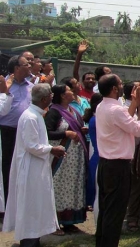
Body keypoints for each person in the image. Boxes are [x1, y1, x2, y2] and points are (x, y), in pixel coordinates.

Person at [2, 84, 66, 247]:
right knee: (31, 207)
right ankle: (29, 241)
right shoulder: (30, 117)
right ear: (44, 99)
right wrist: (52, 148)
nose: (53, 96)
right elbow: (32, 145)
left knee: (36, 207)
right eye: (51, 94)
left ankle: (34, 240)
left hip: (36, 167)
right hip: (31, 170)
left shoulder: (36, 115)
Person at [95, 74, 140, 247]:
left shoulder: (102, 106)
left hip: (106, 164)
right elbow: (138, 130)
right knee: (115, 212)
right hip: (117, 166)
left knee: (106, 210)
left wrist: (133, 104)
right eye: (120, 84)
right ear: (114, 89)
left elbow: (124, 124)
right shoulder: (116, 109)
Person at [45, 84, 88, 233]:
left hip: (74, 159)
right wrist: (66, 134)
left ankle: (69, 221)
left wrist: (81, 130)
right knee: (58, 188)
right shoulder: (54, 112)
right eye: (69, 90)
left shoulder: (73, 110)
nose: (72, 92)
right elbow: (48, 132)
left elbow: (76, 127)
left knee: (72, 189)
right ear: (63, 95)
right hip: (61, 158)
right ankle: (54, 223)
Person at [0, 55, 33, 202]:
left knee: (23, 167)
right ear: (17, 68)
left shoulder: (31, 87)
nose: (30, 66)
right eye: (26, 64)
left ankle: (20, 202)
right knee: (6, 168)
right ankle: (6, 204)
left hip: (25, 133)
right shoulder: (4, 85)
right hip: (6, 132)